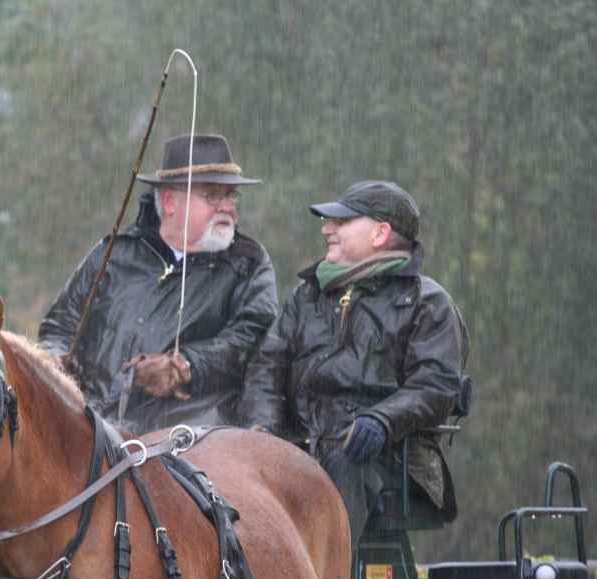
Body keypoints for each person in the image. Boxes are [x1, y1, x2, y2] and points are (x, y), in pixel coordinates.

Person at [241, 180, 469, 554]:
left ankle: (326, 578)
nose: (327, 229)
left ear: (380, 234)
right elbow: (267, 367)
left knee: (345, 462)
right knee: (232, 464)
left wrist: (381, 420)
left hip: (388, 457)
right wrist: (261, 428)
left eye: (342, 221)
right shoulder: (307, 296)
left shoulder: (426, 302)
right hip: (302, 446)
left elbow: (435, 386)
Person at [39, 134, 278, 434]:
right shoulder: (114, 252)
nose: (227, 207)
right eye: (212, 196)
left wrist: (185, 366)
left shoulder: (248, 263)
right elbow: (60, 326)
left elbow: (252, 341)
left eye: (231, 195)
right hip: (88, 433)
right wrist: (53, 361)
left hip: (186, 443)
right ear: (169, 202)